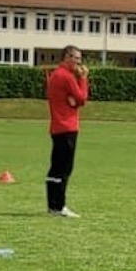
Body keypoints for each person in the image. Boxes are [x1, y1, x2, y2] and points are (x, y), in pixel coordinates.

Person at [45, 46, 89, 217]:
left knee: (55, 168)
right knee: (64, 168)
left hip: (57, 127)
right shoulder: (67, 76)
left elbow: (73, 99)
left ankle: (53, 205)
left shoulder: (56, 75)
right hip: (67, 127)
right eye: (76, 58)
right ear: (67, 57)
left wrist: (74, 101)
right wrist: (83, 79)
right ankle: (60, 206)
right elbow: (82, 98)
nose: (79, 63)